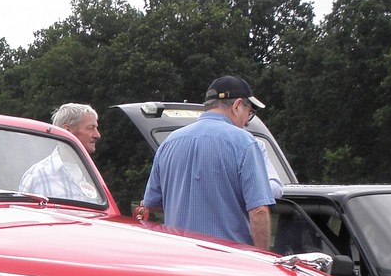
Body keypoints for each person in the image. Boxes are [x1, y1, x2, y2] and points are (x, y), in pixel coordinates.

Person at [137, 76, 275, 248]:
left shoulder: (169, 143)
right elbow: (259, 210)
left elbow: (152, 203)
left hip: (177, 257)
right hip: (228, 261)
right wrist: (263, 259)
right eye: (250, 112)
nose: (247, 121)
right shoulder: (245, 143)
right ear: (237, 105)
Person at [19, 103, 103, 202]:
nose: (97, 135)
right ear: (67, 130)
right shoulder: (38, 176)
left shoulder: (93, 175)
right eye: (91, 127)